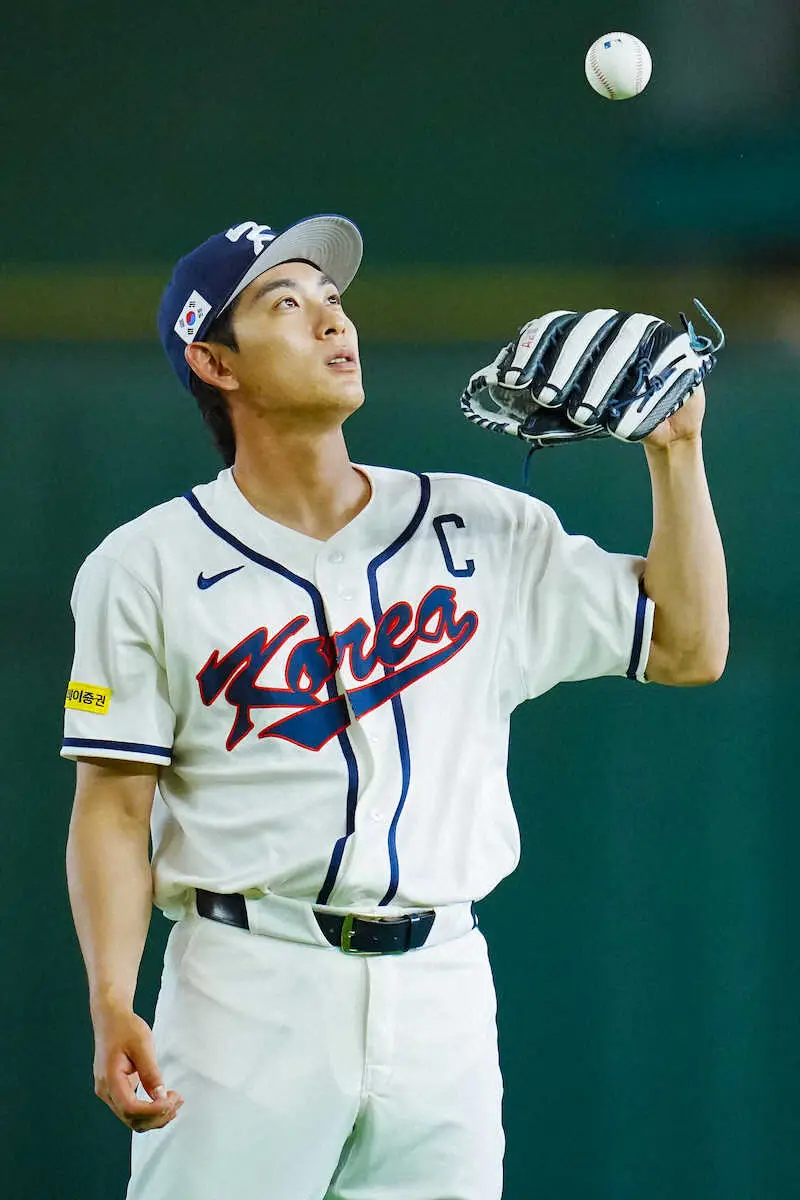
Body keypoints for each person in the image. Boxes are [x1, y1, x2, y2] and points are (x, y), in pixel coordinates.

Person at [63, 214, 728, 1200]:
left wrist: (674, 456)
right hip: (248, 982)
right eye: (286, 304)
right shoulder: (144, 565)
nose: (333, 320)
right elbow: (114, 805)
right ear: (215, 363)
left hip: (442, 989)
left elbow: (685, 646)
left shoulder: (478, 525)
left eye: (333, 298)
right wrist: (112, 999)